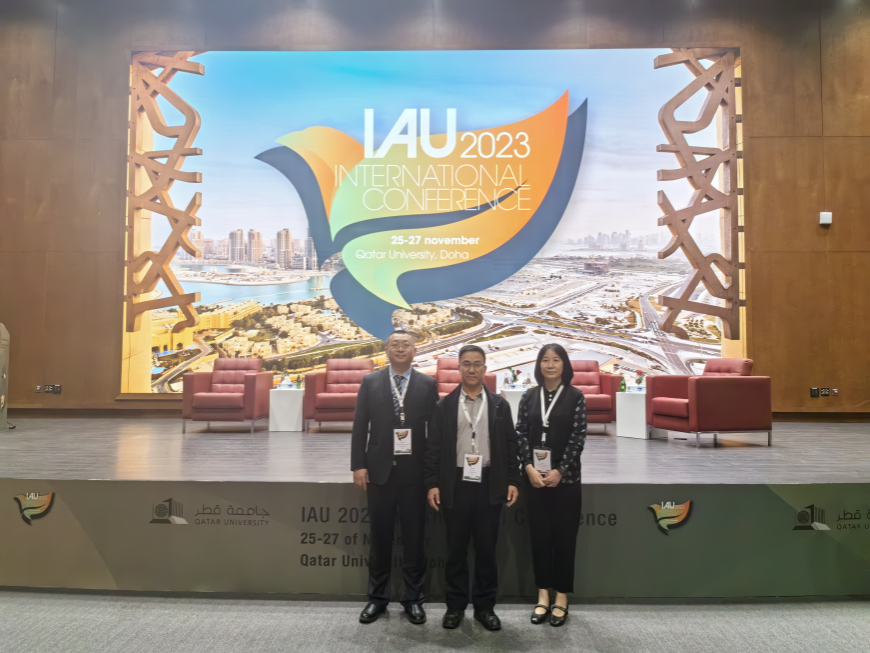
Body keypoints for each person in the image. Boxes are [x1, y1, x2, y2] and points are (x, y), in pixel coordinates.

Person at [424, 345, 520, 631]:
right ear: (459, 368)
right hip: (455, 484)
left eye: (477, 364)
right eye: (466, 363)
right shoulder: (444, 406)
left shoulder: (500, 405)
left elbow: (511, 446)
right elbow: (433, 449)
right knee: (455, 550)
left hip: (490, 483)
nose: (472, 369)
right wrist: (432, 483)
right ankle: (455, 607)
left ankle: (484, 607)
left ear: (485, 368)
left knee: (486, 550)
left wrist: (513, 480)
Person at [351, 330, 439, 625]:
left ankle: (413, 599)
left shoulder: (427, 384)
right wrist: (358, 465)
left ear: (415, 350)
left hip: (414, 475)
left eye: (406, 345)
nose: (400, 349)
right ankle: (377, 599)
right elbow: (360, 425)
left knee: (414, 540)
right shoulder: (370, 382)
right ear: (386, 349)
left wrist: (432, 475)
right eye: (395, 345)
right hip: (379, 473)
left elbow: (435, 433)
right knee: (380, 538)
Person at [515, 344, 587, 627]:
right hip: (534, 479)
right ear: (539, 365)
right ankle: (543, 594)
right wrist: (528, 467)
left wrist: (560, 470)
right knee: (540, 538)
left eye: (556, 360)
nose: (550, 365)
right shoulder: (529, 396)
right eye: (545, 360)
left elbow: (578, 437)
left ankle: (562, 597)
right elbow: (520, 433)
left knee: (565, 539)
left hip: (565, 481)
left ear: (564, 365)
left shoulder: (575, 396)